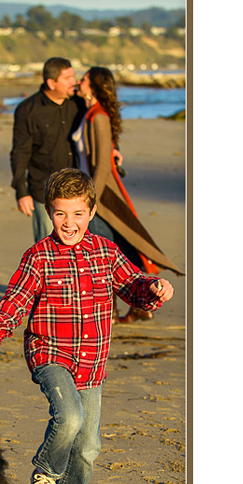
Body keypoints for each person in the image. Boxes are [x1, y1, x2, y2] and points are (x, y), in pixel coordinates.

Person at [0, 168, 174, 484]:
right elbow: (15, 301)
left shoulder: (105, 251)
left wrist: (154, 289)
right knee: (69, 417)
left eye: (78, 214)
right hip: (50, 354)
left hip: (92, 363)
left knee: (88, 447)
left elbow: (133, 284)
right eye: (60, 214)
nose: (69, 223)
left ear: (92, 212)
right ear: (49, 212)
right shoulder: (39, 256)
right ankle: (45, 473)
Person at [76, 66, 183, 322]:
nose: (79, 82)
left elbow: (101, 164)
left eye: (83, 79)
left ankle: (121, 308)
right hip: (94, 195)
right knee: (114, 250)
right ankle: (138, 305)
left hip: (101, 198)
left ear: (94, 86)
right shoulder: (88, 113)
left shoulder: (98, 116)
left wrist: (91, 200)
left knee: (106, 252)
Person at [10, 57, 84, 243]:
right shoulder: (28, 110)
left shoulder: (79, 103)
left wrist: (114, 147)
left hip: (78, 190)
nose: (73, 82)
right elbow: (20, 152)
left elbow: (103, 122)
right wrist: (21, 191)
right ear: (51, 83)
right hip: (44, 192)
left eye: (73, 76)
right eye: (67, 78)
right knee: (48, 251)